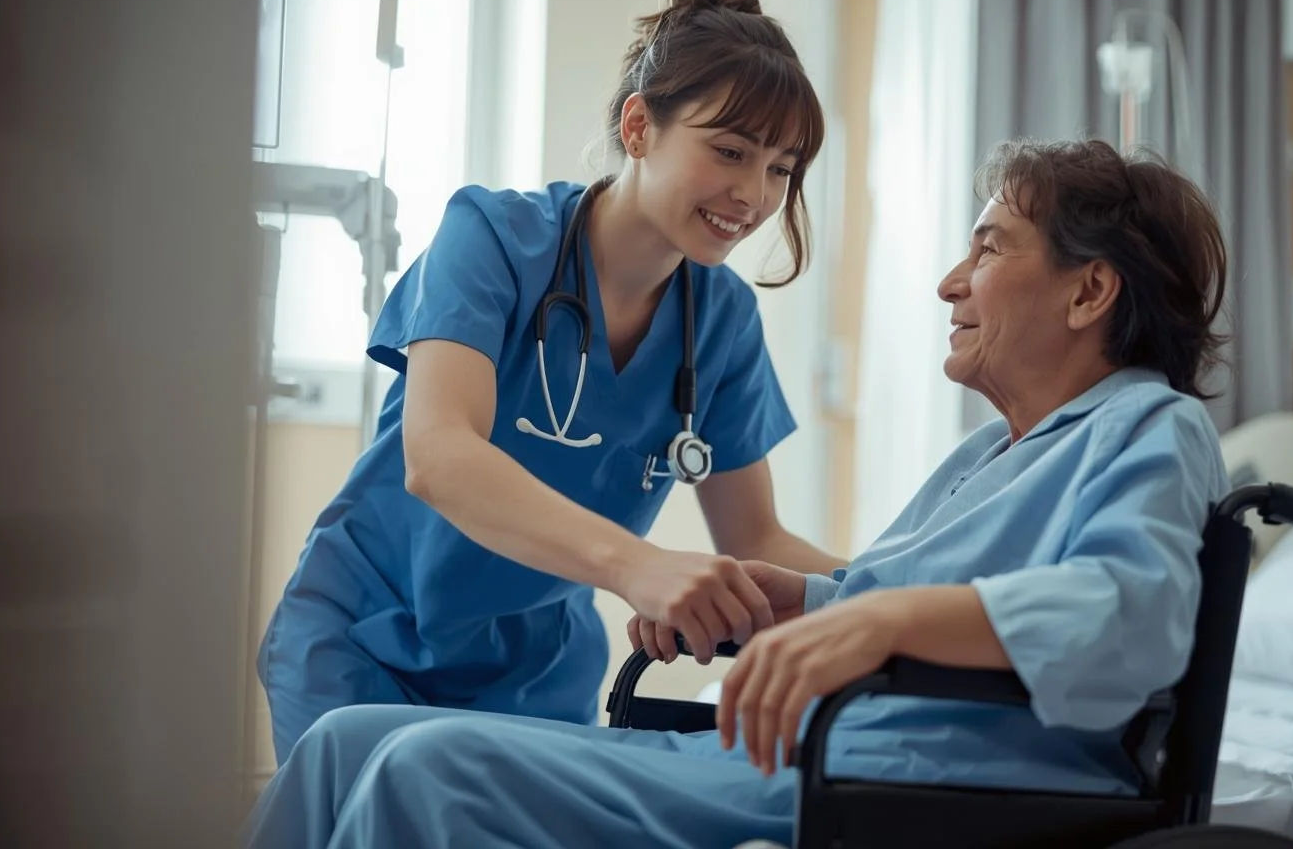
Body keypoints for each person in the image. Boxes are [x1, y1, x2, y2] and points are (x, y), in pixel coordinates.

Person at [243, 137, 1234, 849]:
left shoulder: (1151, 427)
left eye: (988, 248)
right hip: (801, 752)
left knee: (426, 771)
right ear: (639, 128)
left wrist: (873, 615)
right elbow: (882, 601)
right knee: (340, 743)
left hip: (900, 778)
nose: (948, 283)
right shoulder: (990, 459)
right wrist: (775, 600)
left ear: (1088, 291)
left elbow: (1132, 615)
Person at [256, 0, 846, 766]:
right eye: (732, 151)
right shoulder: (494, 239)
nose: (754, 193)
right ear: (639, 128)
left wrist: (912, 587)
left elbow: (757, 534)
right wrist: (637, 566)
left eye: (780, 167)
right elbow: (440, 456)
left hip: (535, 676)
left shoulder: (723, 321)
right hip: (370, 639)